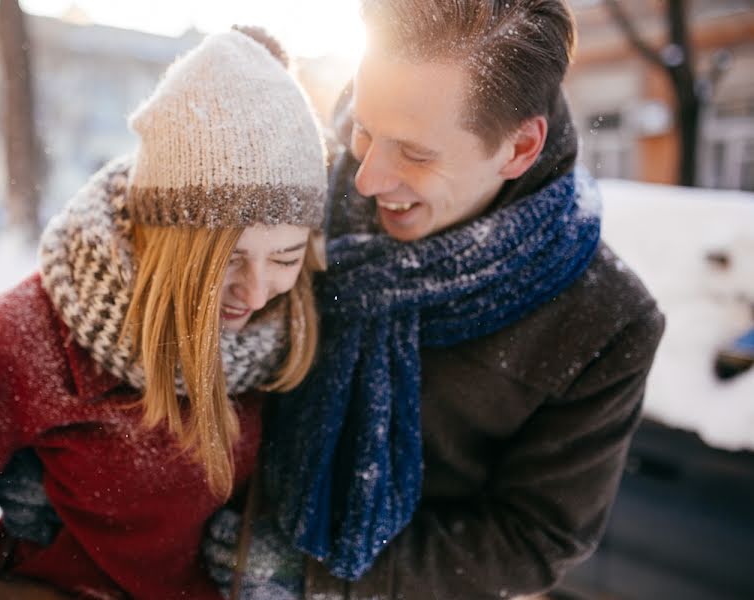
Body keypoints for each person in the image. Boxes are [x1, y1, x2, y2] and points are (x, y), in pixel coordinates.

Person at [204, 1, 666, 599]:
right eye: (363, 130)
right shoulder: (298, 191)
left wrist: (317, 576)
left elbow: (533, 539)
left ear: (519, 149)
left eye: (416, 154)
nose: (366, 178)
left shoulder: (602, 322)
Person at [0, 28, 327, 599]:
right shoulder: (26, 336)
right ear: (165, 238)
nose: (255, 293)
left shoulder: (291, 329)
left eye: (285, 257)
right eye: (224, 262)